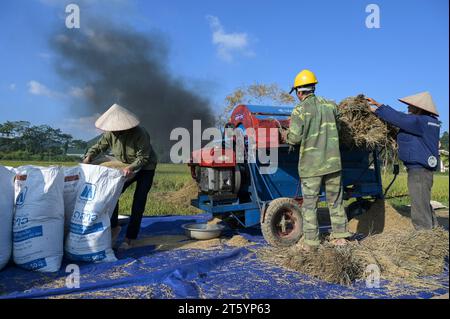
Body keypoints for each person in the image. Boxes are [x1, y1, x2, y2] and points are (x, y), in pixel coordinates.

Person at [282, 69, 352, 251]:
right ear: (313, 87)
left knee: (310, 205)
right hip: (333, 163)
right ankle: (340, 237)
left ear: (299, 91)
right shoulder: (331, 106)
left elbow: (295, 138)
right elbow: (338, 126)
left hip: (311, 166)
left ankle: (311, 242)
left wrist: (285, 134)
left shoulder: (299, 110)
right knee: (335, 202)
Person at [83, 103, 158, 249]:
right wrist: (89, 157)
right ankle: (114, 227)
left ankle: (130, 237)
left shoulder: (140, 133)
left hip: (145, 168)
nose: (116, 132)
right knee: (113, 195)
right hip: (126, 168)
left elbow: (143, 158)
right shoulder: (110, 134)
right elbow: (99, 146)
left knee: (138, 202)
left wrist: (131, 168)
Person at [367, 92, 440, 230]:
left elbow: (399, 118)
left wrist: (377, 109)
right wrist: (379, 105)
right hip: (422, 169)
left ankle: (423, 234)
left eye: (410, 106)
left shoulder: (420, 122)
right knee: (423, 201)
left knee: (419, 203)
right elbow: (402, 119)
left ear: (418, 108)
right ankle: (434, 231)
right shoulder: (429, 122)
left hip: (419, 170)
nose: (407, 108)